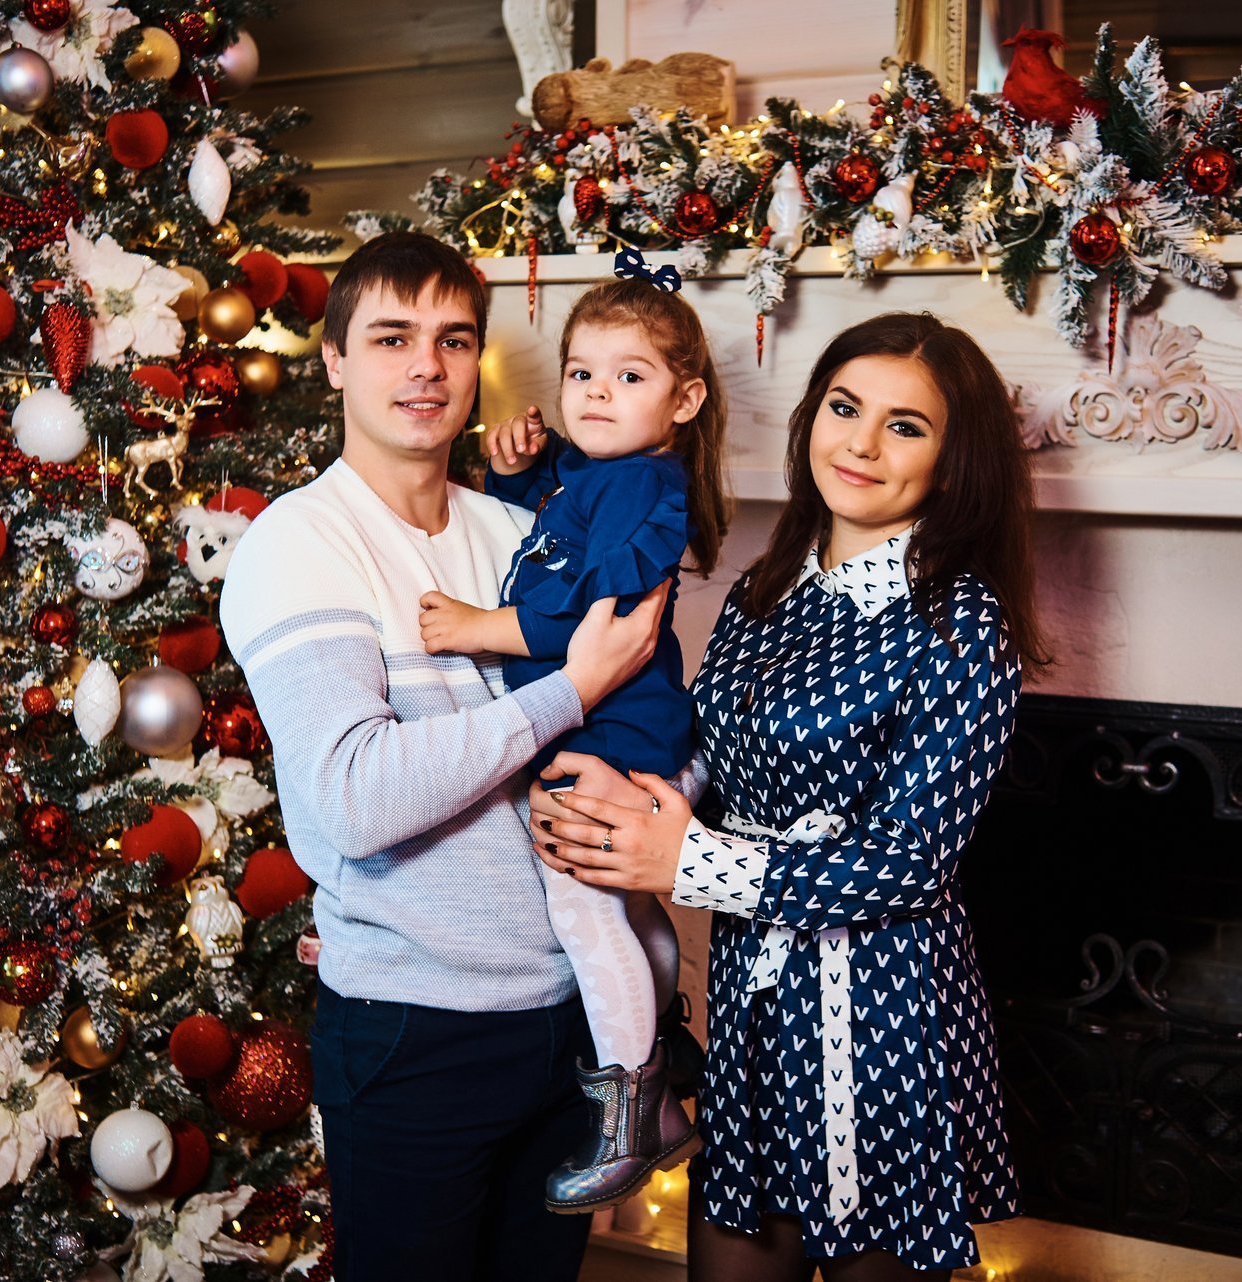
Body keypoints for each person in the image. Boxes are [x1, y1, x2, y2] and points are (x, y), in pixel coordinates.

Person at [526, 312, 1050, 1279]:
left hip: (882, 1017)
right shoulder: (766, 588)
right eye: (845, 408)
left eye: (905, 425)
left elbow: (910, 862)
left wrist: (686, 859)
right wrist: (632, 798)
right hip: (752, 1012)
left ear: (953, 461)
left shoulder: (962, 620)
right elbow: (711, 757)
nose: (861, 443)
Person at [219, 232, 677, 1282]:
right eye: (392, 338)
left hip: (568, 1023)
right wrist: (571, 688)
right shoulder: (301, 543)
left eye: (453, 340)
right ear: (335, 361)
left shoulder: (521, 528)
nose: (426, 367)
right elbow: (355, 799)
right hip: (418, 1034)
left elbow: (631, 720)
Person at [416, 271, 731, 1212]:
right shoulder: (611, 474)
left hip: (610, 738)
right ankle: (665, 1079)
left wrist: (478, 627)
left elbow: (594, 612)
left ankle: (628, 1118)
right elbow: (556, 527)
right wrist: (519, 471)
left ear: (685, 400)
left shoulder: (640, 482)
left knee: (585, 915)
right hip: (627, 734)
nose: (597, 392)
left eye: (630, 377)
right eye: (582, 372)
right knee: (626, 908)